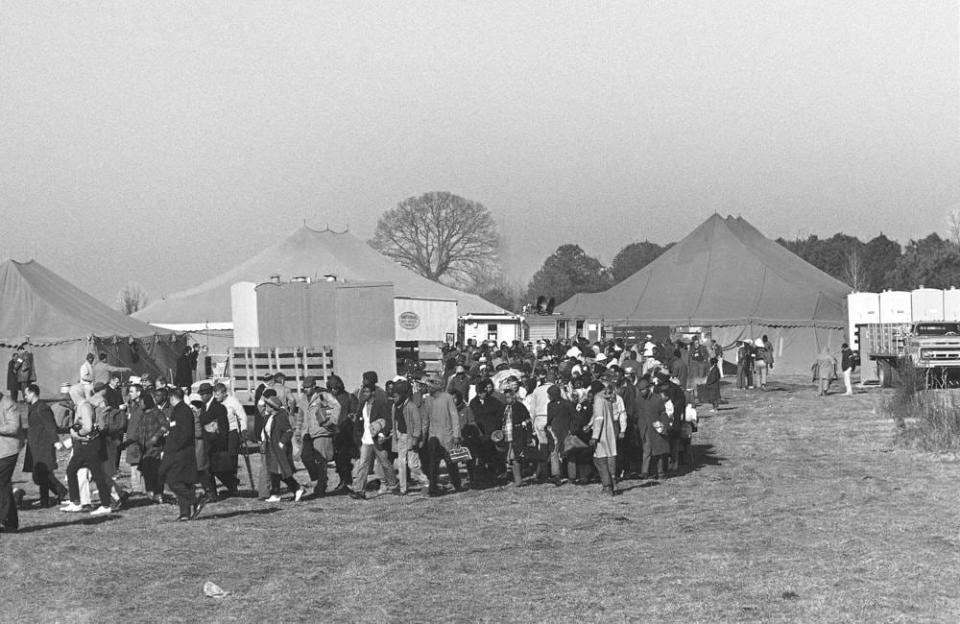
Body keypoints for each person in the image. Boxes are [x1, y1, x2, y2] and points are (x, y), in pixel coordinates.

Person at [61, 392, 115, 516]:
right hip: (87, 446)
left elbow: (88, 427)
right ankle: (77, 502)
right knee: (74, 471)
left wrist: (77, 434)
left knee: (97, 475)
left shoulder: (84, 406)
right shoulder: (86, 405)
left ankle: (104, 504)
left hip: (88, 445)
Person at [158, 388, 205, 521]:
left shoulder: (182, 411)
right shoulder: (180, 410)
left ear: (172, 398)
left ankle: (195, 500)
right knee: (184, 482)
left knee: (173, 481)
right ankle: (185, 513)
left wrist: (173, 448)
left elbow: (184, 433)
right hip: (181, 451)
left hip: (180, 452)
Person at [23, 384, 68, 508]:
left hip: (42, 445)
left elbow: (50, 426)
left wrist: (56, 441)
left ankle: (55, 495)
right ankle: (53, 495)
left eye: (26, 394)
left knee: (43, 473)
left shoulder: (42, 408)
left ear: (32, 393)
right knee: (40, 474)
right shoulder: (34, 407)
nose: (24, 396)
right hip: (35, 444)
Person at [350, 384, 398, 499]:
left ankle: (393, 485)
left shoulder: (380, 405)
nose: (364, 394)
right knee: (363, 465)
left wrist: (382, 433)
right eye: (363, 392)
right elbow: (358, 423)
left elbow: (387, 421)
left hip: (377, 439)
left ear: (372, 393)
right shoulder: (362, 405)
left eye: (366, 392)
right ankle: (359, 490)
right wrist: (358, 438)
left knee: (385, 463)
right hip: (366, 440)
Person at [124, 383, 167, 504]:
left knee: (156, 472)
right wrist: (127, 443)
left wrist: (156, 437)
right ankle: (150, 493)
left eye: (143, 402)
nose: (141, 404)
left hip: (155, 448)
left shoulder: (157, 413)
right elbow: (137, 433)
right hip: (144, 449)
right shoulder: (144, 415)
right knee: (147, 472)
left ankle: (159, 494)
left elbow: (165, 426)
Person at [298, 376, 341, 498]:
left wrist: (332, 421)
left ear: (313, 386)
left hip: (321, 432)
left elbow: (336, 406)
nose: (306, 390)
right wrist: (298, 432)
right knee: (305, 457)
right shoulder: (302, 399)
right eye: (304, 388)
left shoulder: (323, 395)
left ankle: (321, 487)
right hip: (307, 433)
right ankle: (317, 478)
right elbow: (300, 417)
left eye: (308, 387)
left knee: (321, 461)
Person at [260, 394, 305, 502]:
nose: (265, 407)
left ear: (272, 407)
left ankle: (295, 488)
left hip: (279, 448)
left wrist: (282, 443)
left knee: (280, 471)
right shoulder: (269, 417)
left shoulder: (280, 417)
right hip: (271, 447)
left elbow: (288, 431)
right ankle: (279, 493)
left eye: (267, 405)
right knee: (274, 471)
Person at [422, 378, 463, 495]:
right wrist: (423, 437)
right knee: (433, 465)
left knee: (451, 463)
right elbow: (426, 419)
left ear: (437, 386)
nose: (428, 388)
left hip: (447, 436)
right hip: (433, 437)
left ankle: (457, 485)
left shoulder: (447, 398)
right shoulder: (428, 400)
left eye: (430, 386)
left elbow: (454, 417)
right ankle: (433, 488)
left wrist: (456, 435)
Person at [392, 380, 430, 495]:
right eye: (393, 396)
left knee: (413, 465)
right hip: (401, 436)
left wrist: (415, 438)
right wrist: (395, 436)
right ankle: (403, 488)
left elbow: (418, 424)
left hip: (410, 437)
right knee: (401, 463)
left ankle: (425, 483)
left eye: (396, 396)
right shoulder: (394, 406)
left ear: (403, 395)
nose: (394, 398)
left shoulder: (411, 406)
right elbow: (395, 422)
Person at [589, 382, 621, 495]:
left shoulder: (598, 399)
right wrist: (589, 425)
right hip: (610, 432)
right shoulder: (607, 400)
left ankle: (607, 486)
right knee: (609, 458)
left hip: (601, 434)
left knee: (600, 460)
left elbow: (598, 418)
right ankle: (614, 485)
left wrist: (594, 436)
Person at [328, 375, 359, 494]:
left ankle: (347, 481)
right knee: (337, 459)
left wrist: (349, 419)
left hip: (346, 433)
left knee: (344, 459)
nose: (333, 390)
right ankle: (343, 480)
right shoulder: (327, 398)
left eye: (335, 388)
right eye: (331, 388)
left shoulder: (349, 397)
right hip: (333, 432)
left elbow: (354, 413)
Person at [636, 378, 670, 479]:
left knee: (658, 451)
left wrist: (664, 426)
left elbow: (663, 414)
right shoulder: (638, 399)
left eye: (643, 389)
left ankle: (660, 472)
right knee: (646, 450)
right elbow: (637, 414)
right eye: (640, 390)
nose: (642, 392)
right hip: (644, 429)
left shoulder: (657, 399)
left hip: (656, 428)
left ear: (648, 388)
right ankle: (645, 472)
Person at [545, 384, 578, 484]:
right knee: (560, 452)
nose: (548, 396)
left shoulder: (557, 405)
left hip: (562, 430)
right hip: (559, 430)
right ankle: (563, 475)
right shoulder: (566, 404)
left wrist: (572, 430)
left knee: (564, 452)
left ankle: (562, 475)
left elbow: (574, 418)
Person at [0, 390, 23, 532]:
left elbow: (14, 427)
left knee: (1, 483)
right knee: (5, 485)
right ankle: (11, 523)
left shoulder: (9, 404)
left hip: (9, 451)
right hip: (1, 451)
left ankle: (4, 520)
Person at [500, 386, 532, 487]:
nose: (507, 399)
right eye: (506, 397)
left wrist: (528, 436)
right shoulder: (505, 407)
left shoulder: (520, 406)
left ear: (513, 396)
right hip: (507, 436)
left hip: (517, 435)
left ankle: (518, 480)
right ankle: (516, 479)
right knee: (510, 458)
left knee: (515, 458)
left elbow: (528, 421)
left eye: (509, 397)